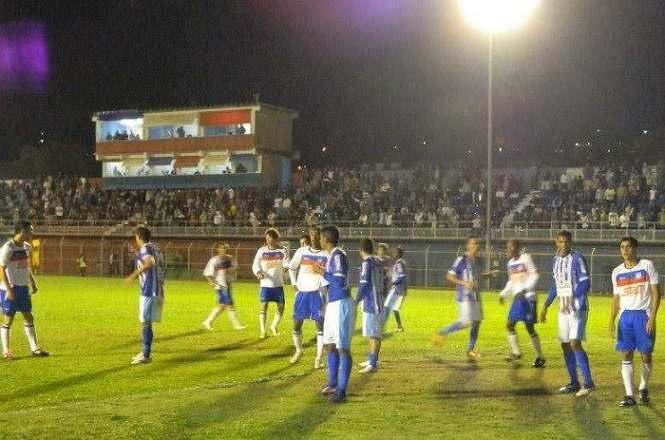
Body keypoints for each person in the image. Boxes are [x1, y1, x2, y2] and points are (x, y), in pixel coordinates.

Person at [540, 230, 595, 396]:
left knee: (574, 343)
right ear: (556, 242)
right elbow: (555, 285)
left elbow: (585, 283)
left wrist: (573, 297)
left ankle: (589, 383)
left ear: (570, 242)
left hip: (577, 308)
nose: (564, 245)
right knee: (565, 344)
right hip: (562, 309)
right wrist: (546, 305)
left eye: (567, 242)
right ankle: (574, 383)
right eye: (561, 242)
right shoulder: (555, 260)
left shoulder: (577, 259)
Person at [609, 237, 661, 406]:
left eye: (628, 247)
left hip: (643, 315)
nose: (625, 250)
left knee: (646, 354)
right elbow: (616, 298)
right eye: (622, 247)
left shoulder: (647, 265)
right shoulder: (617, 272)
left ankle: (643, 387)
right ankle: (629, 395)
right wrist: (611, 320)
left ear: (635, 248)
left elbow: (656, 293)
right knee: (626, 353)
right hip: (625, 318)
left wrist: (652, 317)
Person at [433, 235, 496, 361]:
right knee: (465, 322)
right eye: (473, 243)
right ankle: (441, 332)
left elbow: (478, 276)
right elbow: (449, 276)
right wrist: (464, 283)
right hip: (464, 296)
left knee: (477, 321)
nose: (476, 246)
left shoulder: (478, 260)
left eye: (477, 243)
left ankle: (470, 350)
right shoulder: (461, 260)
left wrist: (489, 274)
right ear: (468, 245)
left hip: (475, 295)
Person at [315, 225, 354, 403]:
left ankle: (342, 390)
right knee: (330, 344)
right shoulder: (332, 255)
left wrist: (322, 272)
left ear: (326, 239)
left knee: (342, 348)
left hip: (341, 304)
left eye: (321, 238)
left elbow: (338, 280)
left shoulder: (338, 255)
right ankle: (332, 383)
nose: (319, 240)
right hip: (333, 304)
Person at [0, 222, 49, 359]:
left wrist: (33, 282)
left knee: (29, 316)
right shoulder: (8, 248)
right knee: (8, 319)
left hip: (23, 289)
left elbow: (26, 267)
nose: (31, 234)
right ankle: (6, 351)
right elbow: (1, 270)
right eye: (29, 231)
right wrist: (9, 289)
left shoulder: (27, 247)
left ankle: (35, 349)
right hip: (10, 289)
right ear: (22, 231)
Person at [498, 239, 545, 367]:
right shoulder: (510, 263)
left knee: (529, 328)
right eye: (507, 247)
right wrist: (503, 293)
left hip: (528, 298)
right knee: (510, 324)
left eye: (511, 247)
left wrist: (525, 289)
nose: (509, 249)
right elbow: (511, 282)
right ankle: (516, 352)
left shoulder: (525, 258)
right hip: (518, 299)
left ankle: (540, 357)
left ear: (518, 247)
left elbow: (535, 275)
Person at [288, 227, 327, 368]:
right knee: (297, 324)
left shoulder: (326, 254)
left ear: (320, 236)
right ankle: (299, 350)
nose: (314, 237)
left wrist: (324, 286)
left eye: (317, 235)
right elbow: (292, 268)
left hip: (318, 294)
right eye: (312, 234)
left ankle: (318, 358)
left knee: (320, 326)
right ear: (309, 236)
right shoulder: (302, 251)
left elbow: (329, 274)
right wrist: (293, 282)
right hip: (302, 293)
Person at [125, 226, 165, 365]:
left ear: (139, 237)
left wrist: (133, 275)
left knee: (145, 323)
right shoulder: (154, 248)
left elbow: (149, 262)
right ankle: (145, 353)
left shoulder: (146, 249)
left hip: (149, 290)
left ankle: (146, 355)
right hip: (156, 289)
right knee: (146, 322)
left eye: (136, 237)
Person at [252, 228, 289, 339]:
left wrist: (286, 267)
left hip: (278, 284)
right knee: (264, 306)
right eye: (267, 238)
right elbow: (255, 264)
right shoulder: (261, 251)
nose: (268, 240)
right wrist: (258, 272)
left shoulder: (283, 250)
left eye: (271, 238)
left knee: (281, 307)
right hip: (265, 284)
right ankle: (263, 331)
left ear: (276, 239)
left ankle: (274, 326)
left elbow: (286, 262)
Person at [356, 238, 386, 374]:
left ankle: (373, 363)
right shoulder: (378, 261)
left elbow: (363, 284)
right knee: (373, 332)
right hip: (379, 300)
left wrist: (356, 300)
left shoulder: (367, 263)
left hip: (371, 302)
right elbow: (386, 280)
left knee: (373, 334)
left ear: (361, 250)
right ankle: (372, 359)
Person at [202, 243, 246, 331]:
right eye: (222, 248)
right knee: (228, 304)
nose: (223, 250)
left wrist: (231, 269)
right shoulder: (214, 260)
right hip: (220, 285)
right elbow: (207, 273)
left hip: (228, 284)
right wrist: (211, 282)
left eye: (225, 249)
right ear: (218, 249)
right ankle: (236, 325)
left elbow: (235, 267)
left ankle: (207, 322)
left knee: (222, 305)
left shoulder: (230, 259)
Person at [383, 246, 407, 332]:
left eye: (395, 252)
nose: (393, 253)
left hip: (396, 289)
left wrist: (393, 283)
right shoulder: (399, 262)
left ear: (399, 254)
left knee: (386, 306)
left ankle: (381, 327)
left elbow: (402, 276)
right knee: (394, 308)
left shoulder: (399, 263)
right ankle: (400, 326)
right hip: (398, 289)